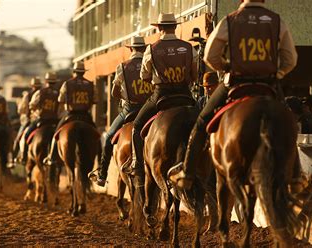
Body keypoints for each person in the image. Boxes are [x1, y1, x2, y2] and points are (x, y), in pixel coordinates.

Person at [170, 0, 298, 189]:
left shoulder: (229, 21)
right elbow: (290, 59)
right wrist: (276, 74)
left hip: (236, 83)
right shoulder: (277, 21)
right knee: (288, 123)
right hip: (268, 84)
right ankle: (296, 176)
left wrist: (226, 69)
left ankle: (187, 173)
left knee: (202, 121)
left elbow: (209, 56)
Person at [129, 13, 198, 182]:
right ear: (175, 27)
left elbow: (144, 76)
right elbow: (195, 74)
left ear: (159, 28)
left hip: (161, 95)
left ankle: (137, 164)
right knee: (203, 123)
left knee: (136, 127)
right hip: (184, 95)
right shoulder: (189, 48)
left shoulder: (151, 49)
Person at [90, 36, 151, 187]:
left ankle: (102, 175)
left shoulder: (123, 66)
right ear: (144, 49)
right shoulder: (151, 62)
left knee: (110, 136)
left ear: (131, 49)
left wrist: (126, 97)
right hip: (151, 107)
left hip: (131, 109)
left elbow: (114, 93)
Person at [44, 61, 98, 166]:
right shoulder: (90, 84)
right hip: (85, 115)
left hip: (71, 115)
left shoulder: (67, 84)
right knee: (97, 136)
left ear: (74, 71)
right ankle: (100, 161)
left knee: (56, 134)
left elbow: (61, 99)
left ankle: (51, 155)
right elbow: (95, 100)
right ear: (83, 72)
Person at [17, 72, 60, 164]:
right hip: (54, 121)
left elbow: (30, 106)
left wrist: (35, 113)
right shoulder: (58, 93)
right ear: (55, 82)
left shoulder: (38, 93)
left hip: (41, 120)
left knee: (24, 135)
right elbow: (61, 107)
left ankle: (23, 157)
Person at [12, 77, 43, 163]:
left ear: (32, 85)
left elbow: (21, 109)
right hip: (51, 121)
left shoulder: (28, 95)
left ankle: (20, 157)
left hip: (33, 120)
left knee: (20, 138)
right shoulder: (48, 93)